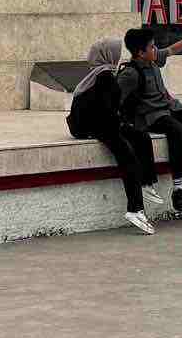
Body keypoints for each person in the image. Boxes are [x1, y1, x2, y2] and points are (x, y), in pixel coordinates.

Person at [117, 24, 182, 214]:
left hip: (170, 106)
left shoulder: (153, 59)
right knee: (177, 130)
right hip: (152, 115)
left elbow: (174, 49)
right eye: (151, 47)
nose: (155, 49)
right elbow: (115, 98)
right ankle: (178, 188)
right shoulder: (130, 73)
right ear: (140, 53)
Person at [67, 38, 157, 235]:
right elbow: (104, 111)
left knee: (140, 137)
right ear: (109, 55)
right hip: (95, 124)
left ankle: (148, 181)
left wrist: (122, 124)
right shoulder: (104, 77)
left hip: (98, 121)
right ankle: (135, 209)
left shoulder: (100, 74)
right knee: (127, 156)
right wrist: (118, 127)